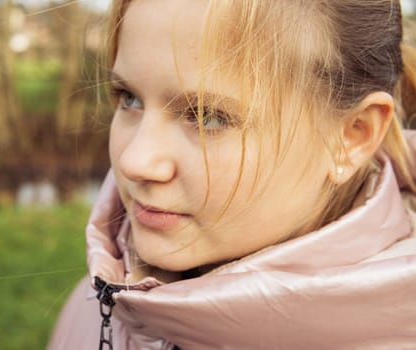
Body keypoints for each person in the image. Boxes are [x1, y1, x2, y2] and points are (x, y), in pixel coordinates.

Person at [48, 0, 416, 349]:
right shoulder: (99, 306)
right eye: (129, 97)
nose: (133, 161)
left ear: (352, 136)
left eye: (207, 116)